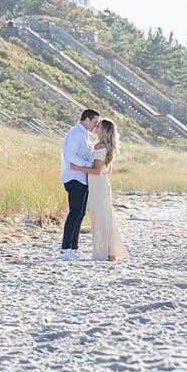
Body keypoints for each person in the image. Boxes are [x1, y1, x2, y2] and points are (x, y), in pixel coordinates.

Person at [69, 118, 128, 261]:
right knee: (105, 217)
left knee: (100, 218)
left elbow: (96, 170)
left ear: (103, 130)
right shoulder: (106, 146)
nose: (96, 127)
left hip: (98, 185)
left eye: (99, 126)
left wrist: (77, 168)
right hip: (100, 184)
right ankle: (109, 253)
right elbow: (106, 170)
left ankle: (103, 253)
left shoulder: (100, 146)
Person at [59, 109, 100, 260]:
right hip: (74, 177)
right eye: (95, 122)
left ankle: (74, 248)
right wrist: (87, 165)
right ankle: (65, 249)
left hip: (81, 177)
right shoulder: (77, 134)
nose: (96, 125)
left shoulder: (84, 134)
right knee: (74, 212)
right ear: (87, 119)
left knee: (80, 213)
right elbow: (70, 155)